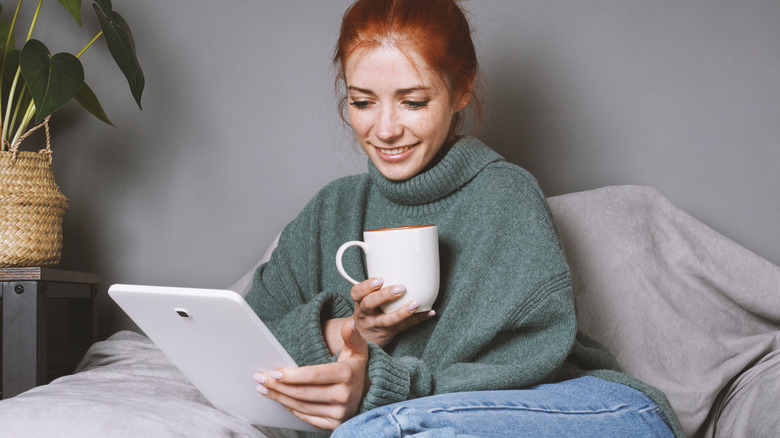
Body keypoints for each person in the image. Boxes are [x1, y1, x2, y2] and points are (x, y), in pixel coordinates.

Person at [248, 0, 684, 436]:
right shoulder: (332, 210)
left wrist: (374, 387)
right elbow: (247, 339)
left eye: (413, 102)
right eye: (362, 102)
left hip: (591, 410)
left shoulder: (503, 195)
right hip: (419, 422)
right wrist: (354, 331)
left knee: (371, 431)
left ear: (461, 91)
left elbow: (523, 365)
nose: (384, 129)